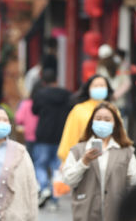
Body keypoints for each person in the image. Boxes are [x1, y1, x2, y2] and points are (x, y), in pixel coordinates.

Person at [31, 68, 72, 205]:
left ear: (44, 81)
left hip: (43, 134)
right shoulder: (66, 94)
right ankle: (55, 197)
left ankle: (43, 187)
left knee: (40, 164)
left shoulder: (40, 94)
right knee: (57, 166)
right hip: (61, 135)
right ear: (56, 80)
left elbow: (34, 111)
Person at [57, 75, 114, 161]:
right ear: (88, 89)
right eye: (95, 86)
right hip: (82, 157)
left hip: (109, 157)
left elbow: (120, 134)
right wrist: (66, 159)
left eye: (102, 86)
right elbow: (70, 135)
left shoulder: (113, 110)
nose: (99, 88)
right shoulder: (79, 109)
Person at [14, 80, 40, 159]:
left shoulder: (26, 103)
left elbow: (19, 119)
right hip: (43, 136)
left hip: (29, 135)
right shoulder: (45, 104)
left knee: (30, 158)